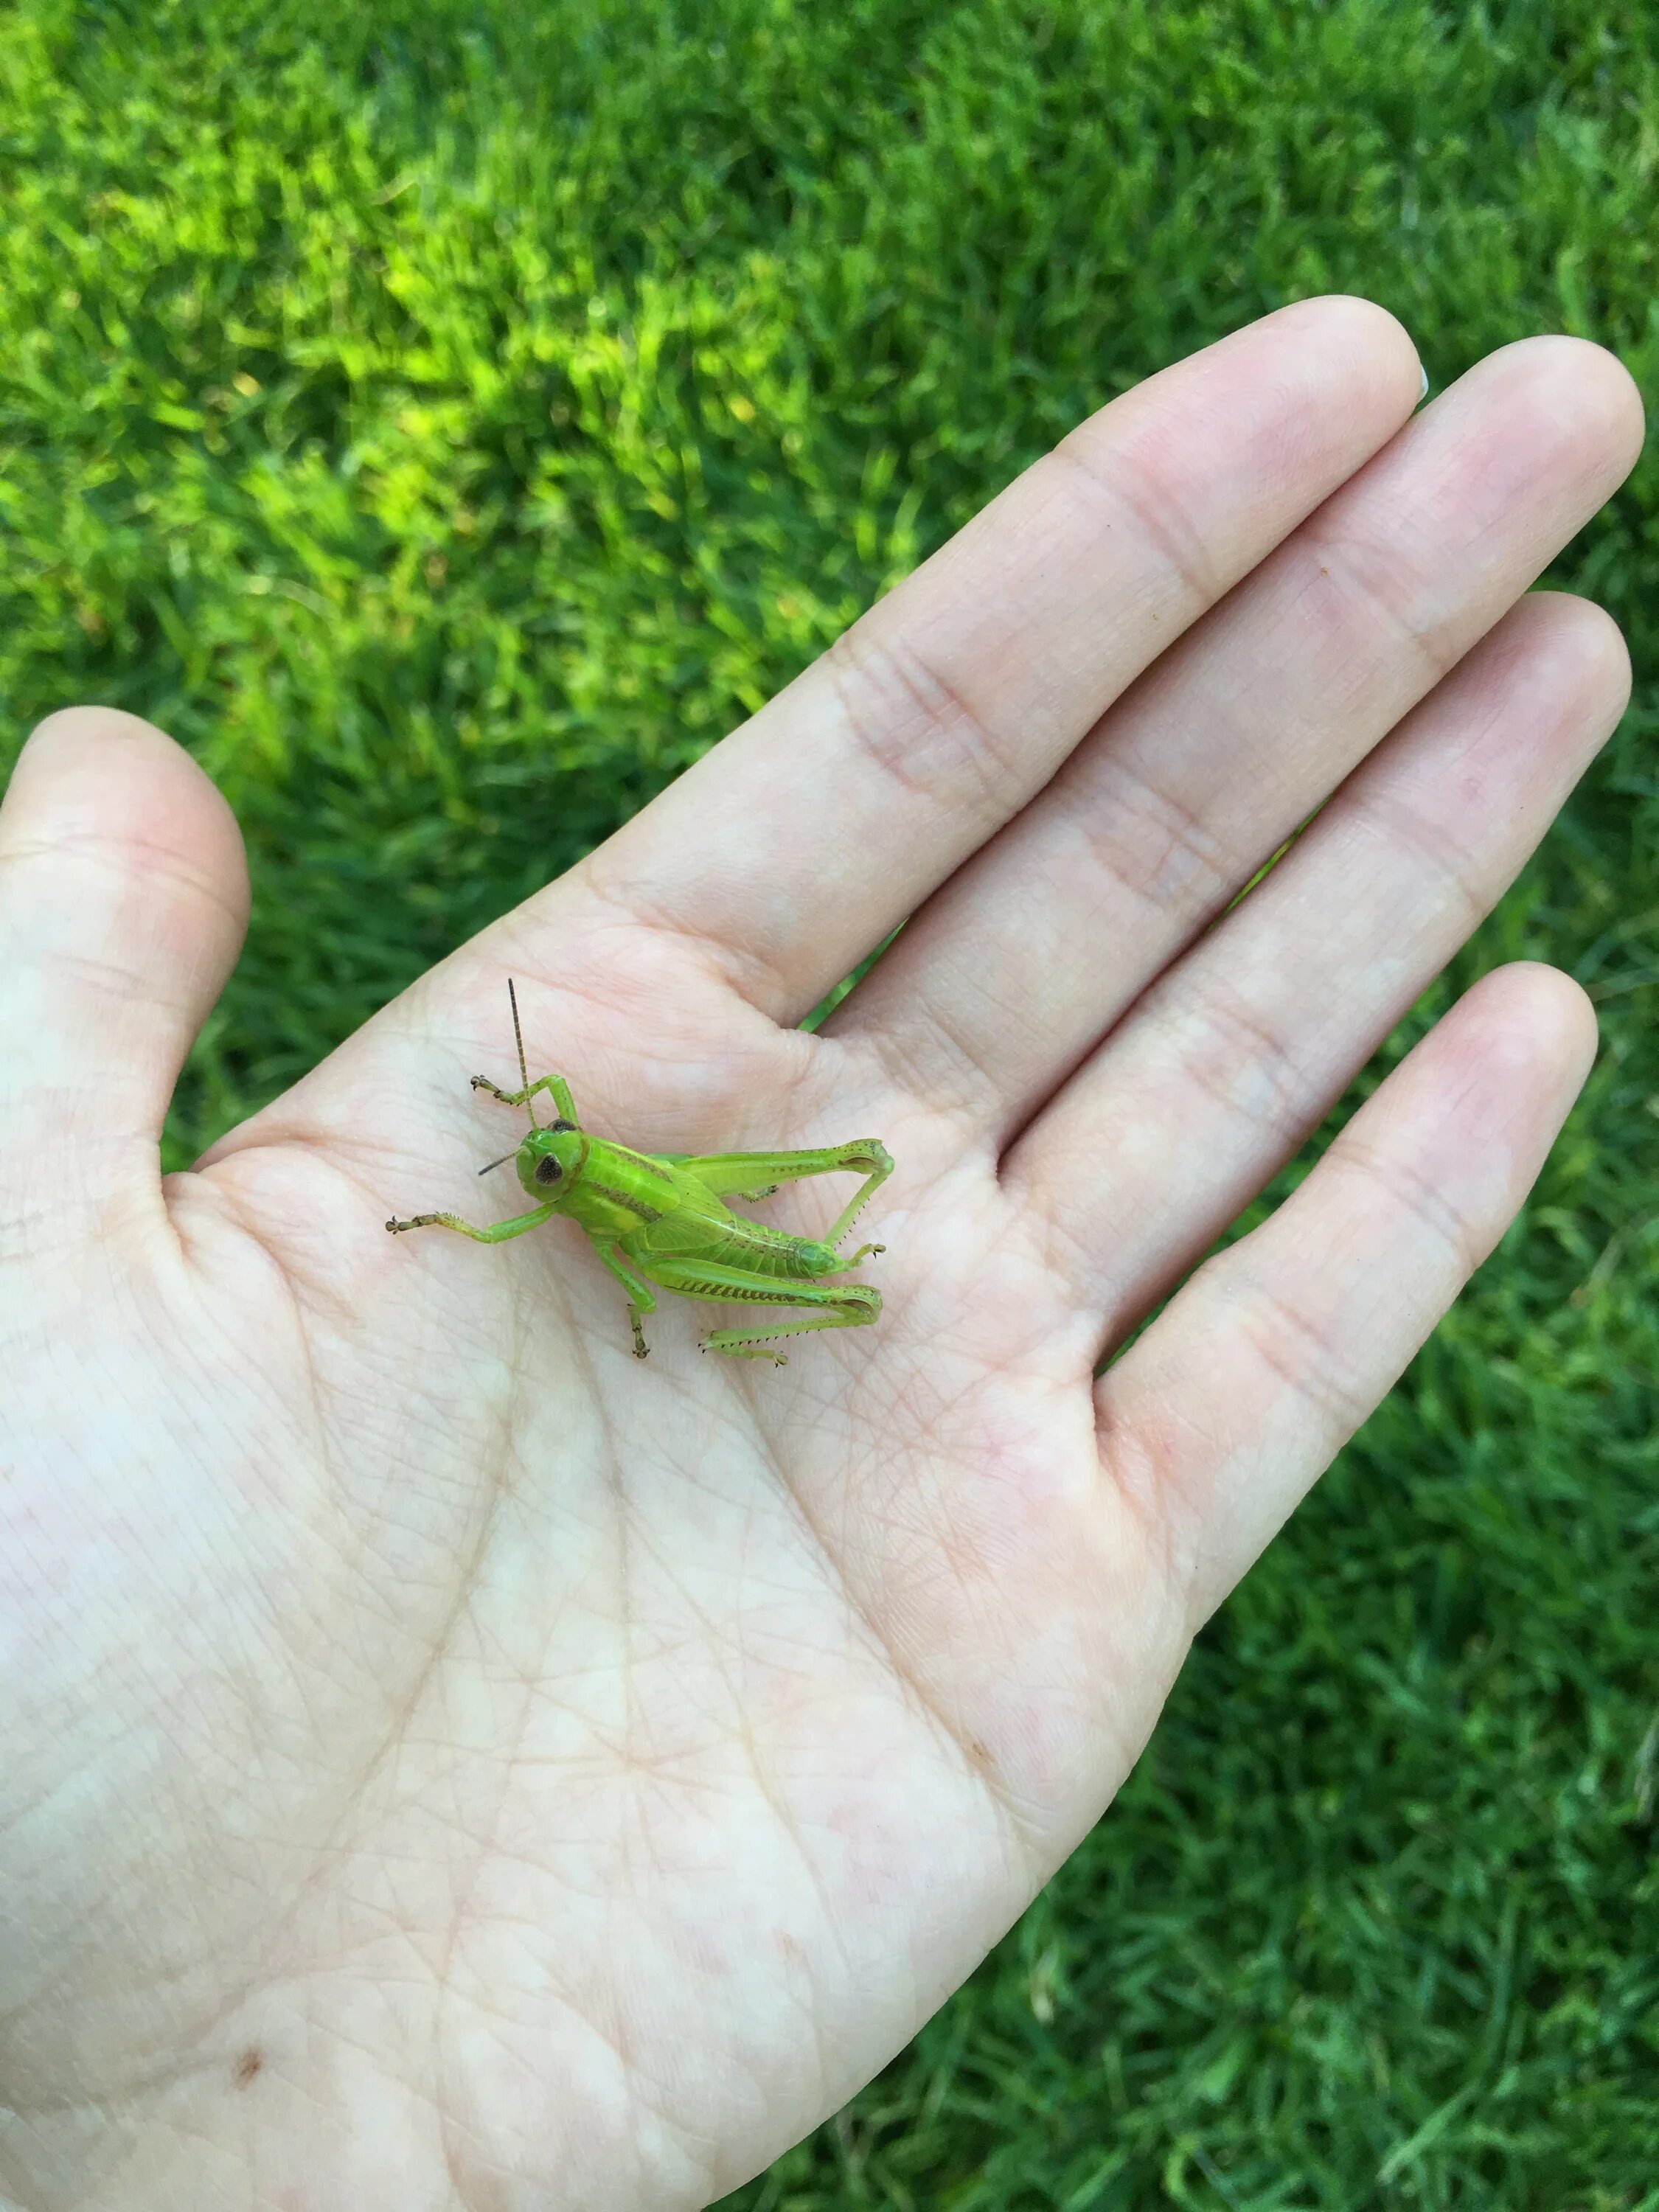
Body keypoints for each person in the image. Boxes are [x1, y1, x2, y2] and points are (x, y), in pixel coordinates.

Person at [0, 297, 1641, 2210]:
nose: (529, 1151)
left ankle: (839, 1275)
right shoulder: (564, 1174)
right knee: (668, 1250)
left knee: (730, 1252)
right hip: (688, 1250)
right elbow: (538, 1211)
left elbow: (588, 1252)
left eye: (535, 1135)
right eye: (533, 1142)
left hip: (731, 1265)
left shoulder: (579, 1194)